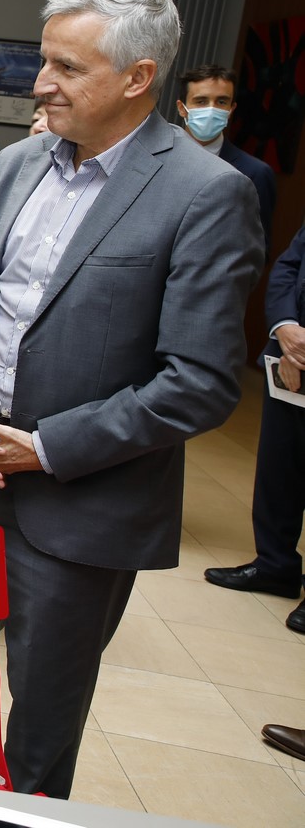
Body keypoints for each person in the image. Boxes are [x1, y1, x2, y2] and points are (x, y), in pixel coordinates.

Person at [0, 0, 266, 799]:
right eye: (44, 62)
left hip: (84, 501)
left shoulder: (206, 195)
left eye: (67, 68)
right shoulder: (18, 163)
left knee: (42, 718)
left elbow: (200, 382)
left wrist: (50, 448)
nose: (41, 83)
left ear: (138, 78)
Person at [203, 216, 305, 634]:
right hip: (289, 357)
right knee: (279, 466)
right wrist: (286, 328)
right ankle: (275, 565)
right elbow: (287, 267)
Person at [176, 62, 276, 253]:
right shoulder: (153, 158)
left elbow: (255, 249)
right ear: (182, 108)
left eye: (221, 102)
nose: (211, 109)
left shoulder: (255, 174)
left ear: (231, 110)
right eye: (201, 101)